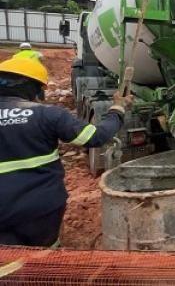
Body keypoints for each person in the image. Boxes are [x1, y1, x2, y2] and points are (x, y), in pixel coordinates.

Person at [0, 57, 132, 247]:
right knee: (44, 258)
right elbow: (94, 137)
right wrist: (117, 109)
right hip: (40, 208)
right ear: (34, 88)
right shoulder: (47, 115)